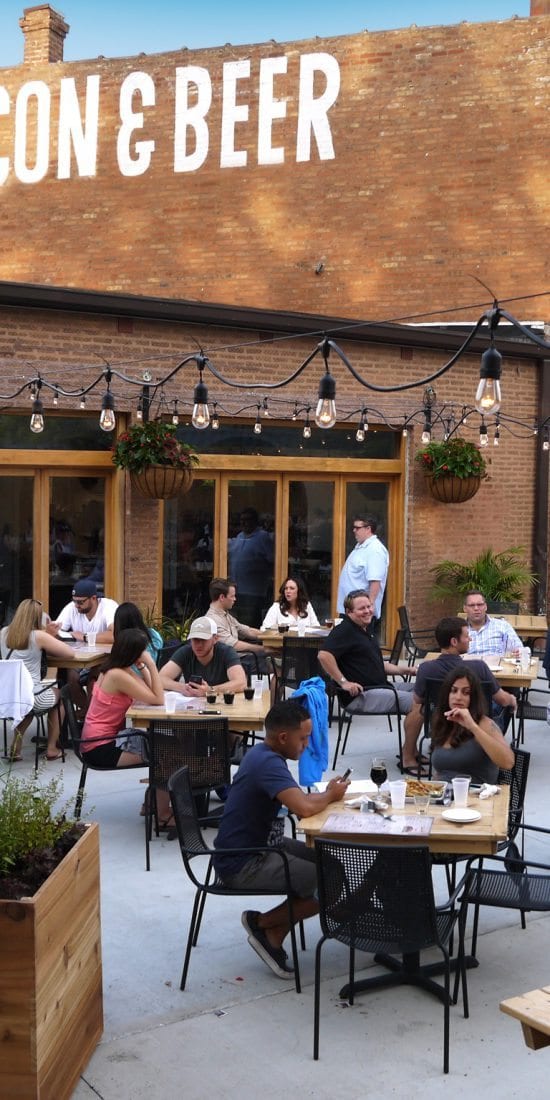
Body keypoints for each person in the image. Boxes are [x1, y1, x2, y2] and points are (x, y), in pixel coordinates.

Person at [213, 699, 349, 979]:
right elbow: (304, 808)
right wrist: (330, 796)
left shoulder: (263, 754)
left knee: (332, 866)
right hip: (244, 863)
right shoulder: (268, 763)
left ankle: (274, 930)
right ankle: (262, 924)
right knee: (331, 883)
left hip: (257, 847)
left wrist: (327, 794)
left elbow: (299, 800)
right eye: (304, 738)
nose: (307, 745)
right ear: (284, 737)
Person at [402, 616, 518, 774]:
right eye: (466, 636)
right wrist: (512, 699)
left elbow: (418, 699)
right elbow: (502, 700)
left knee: (417, 708)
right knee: (507, 703)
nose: (470, 639)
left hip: (439, 721)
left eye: (466, 692)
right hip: (475, 721)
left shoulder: (426, 669)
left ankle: (409, 754)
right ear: (454, 642)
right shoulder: (479, 667)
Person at [81, 627, 172, 823]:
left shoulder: (118, 669)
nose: (145, 653)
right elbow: (158, 698)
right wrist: (151, 664)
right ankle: (162, 815)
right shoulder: (117, 675)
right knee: (166, 752)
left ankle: (152, 803)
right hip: (100, 747)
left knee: (167, 744)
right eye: (143, 651)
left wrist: (143, 667)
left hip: (105, 740)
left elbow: (150, 690)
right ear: (132, 652)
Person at [0, 597, 77, 761]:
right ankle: (52, 748)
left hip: (10, 696)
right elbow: (70, 653)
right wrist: (51, 636)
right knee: (62, 695)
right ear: (37, 618)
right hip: (32, 696)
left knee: (27, 706)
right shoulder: (38, 636)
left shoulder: (4, 632)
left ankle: (16, 747)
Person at [317, 589, 415, 717]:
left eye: (369, 606)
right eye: (362, 608)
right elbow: (323, 655)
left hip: (382, 687)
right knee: (420, 701)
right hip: (362, 695)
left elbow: (379, 665)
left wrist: (408, 670)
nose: (367, 611)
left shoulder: (365, 629)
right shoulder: (345, 630)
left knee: (427, 689)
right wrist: (344, 682)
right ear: (349, 612)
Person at [431, 665, 514, 784]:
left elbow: (508, 762)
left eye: (466, 693)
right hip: (444, 792)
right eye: (453, 691)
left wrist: (473, 727)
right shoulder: (443, 722)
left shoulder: (485, 724)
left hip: (475, 792)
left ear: (473, 698)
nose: (458, 697)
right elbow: (440, 771)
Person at [159, 616, 247, 698]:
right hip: (192, 705)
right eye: (195, 639)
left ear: (215, 639)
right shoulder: (185, 652)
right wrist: (183, 688)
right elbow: (161, 678)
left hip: (221, 703)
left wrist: (210, 690)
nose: (199, 645)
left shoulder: (226, 652)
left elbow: (241, 683)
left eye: (203, 639)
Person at [207, 577, 271, 676]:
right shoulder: (213, 620)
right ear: (222, 597)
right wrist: (264, 649)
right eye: (232, 596)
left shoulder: (225, 615)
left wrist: (271, 635)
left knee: (277, 661)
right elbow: (234, 645)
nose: (235, 599)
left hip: (240, 658)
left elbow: (247, 630)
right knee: (278, 665)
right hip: (230, 663)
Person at [337, 514, 389, 631]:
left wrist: (369, 608)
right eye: (354, 527)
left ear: (368, 529)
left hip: (361, 614)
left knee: (359, 641)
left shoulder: (375, 550)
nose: (354, 530)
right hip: (351, 611)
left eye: (357, 528)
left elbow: (375, 581)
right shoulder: (361, 546)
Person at [228, 508, 274, 627]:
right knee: (237, 624)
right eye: (242, 520)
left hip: (254, 591)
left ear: (255, 521)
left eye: (247, 519)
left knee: (250, 624)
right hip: (237, 589)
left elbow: (272, 560)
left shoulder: (263, 537)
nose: (244, 523)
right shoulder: (240, 536)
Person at [47, 578, 118, 643]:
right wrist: (52, 631)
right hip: (79, 652)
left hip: (104, 652)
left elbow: (115, 635)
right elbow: (56, 632)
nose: (76, 605)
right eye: (74, 601)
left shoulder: (109, 606)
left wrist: (84, 637)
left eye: (80, 602)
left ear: (93, 598)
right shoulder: (71, 607)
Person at [463, 590, 522, 657]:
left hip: (496, 663)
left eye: (480, 605)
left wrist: (518, 652)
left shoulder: (502, 626)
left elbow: (519, 649)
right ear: (465, 608)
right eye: (471, 605)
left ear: (485, 606)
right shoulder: (458, 629)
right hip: (466, 663)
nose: (476, 608)